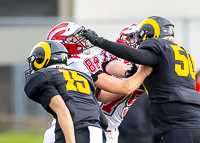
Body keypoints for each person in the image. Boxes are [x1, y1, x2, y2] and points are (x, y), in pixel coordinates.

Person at [81, 16, 200, 143]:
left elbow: (135, 62)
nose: (137, 41)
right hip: (193, 116)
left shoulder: (155, 52)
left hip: (174, 123)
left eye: (138, 36)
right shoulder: (184, 55)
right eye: (132, 37)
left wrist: (100, 41)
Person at [38, 22, 152, 143]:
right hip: (77, 128)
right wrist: (142, 73)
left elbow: (103, 96)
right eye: (75, 37)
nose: (82, 39)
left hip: (81, 126)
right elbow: (124, 86)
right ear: (64, 44)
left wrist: (133, 77)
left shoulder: (72, 64)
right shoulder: (77, 63)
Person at [95, 23, 155, 143]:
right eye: (136, 38)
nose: (140, 43)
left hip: (112, 128)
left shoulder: (144, 68)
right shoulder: (111, 58)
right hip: (93, 124)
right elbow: (124, 71)